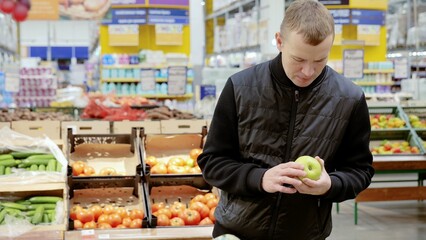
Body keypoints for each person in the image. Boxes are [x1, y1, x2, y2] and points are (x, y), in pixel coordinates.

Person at [197, 0, 375, 239]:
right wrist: (259, 178)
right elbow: (212, 162)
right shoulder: (240, 87)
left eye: (320, 60)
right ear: (280, 41)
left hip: (305, 233)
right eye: (299, 60)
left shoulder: (349, 98)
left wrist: (330, 185)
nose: (308, 72)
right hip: (237, 232)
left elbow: (360, 170)